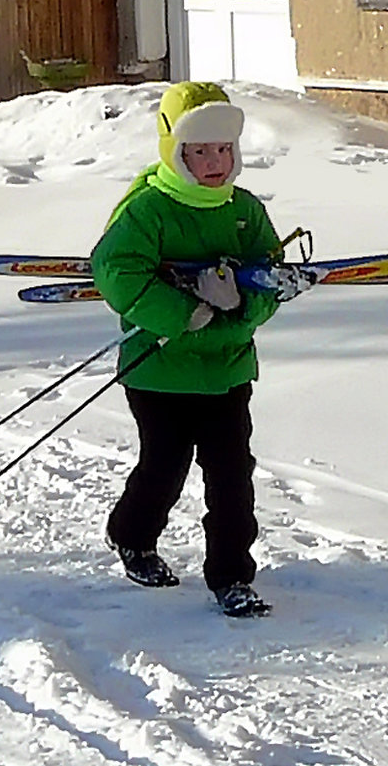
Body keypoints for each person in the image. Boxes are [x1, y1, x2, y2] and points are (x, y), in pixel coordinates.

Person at [89, 81, 281, 617]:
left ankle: (231, 576)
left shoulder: (243, 210)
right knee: (164, 466)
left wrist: (249, 302)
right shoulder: (149, 209)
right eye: (199, 151)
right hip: (160, 371)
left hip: (226, 367)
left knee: (231, 474)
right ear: (175, 151)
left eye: (224, 150)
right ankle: (132, 534)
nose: (214, 162)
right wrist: (186, 311)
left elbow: (268, 276)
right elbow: (116, 271)